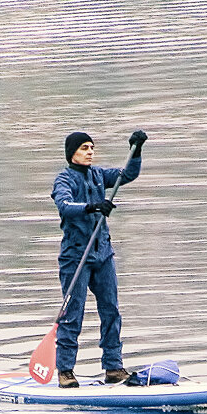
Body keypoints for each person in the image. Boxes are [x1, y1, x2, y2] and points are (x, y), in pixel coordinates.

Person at [51, 129, 148, 388]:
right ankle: (65, 371)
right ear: (72, 153)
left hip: (103, 254)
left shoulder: (98, 175)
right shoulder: (63, 180)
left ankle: (114, 368)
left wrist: (136, 150)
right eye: (84, 148)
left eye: (91, 147)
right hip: (76, 257)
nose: (90, 152)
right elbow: (64, 206)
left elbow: (127, 174)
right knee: (73, 314)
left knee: (111, 310)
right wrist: (92, 206)